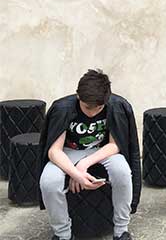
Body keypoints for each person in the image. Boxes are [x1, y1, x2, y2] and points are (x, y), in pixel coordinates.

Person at [39, 69, 141, 240]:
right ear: (78, 96)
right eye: (87, 107)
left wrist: (84, 164)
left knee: (122, 172)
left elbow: (115, 145)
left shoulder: (116, 106)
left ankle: (121, 230)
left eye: (98, 108)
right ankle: (62, 234)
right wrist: (76, 174)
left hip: (102, 151)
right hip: (67, 152)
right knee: (49, 181)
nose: (92, 113)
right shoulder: (62, 108)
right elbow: (54, 151)